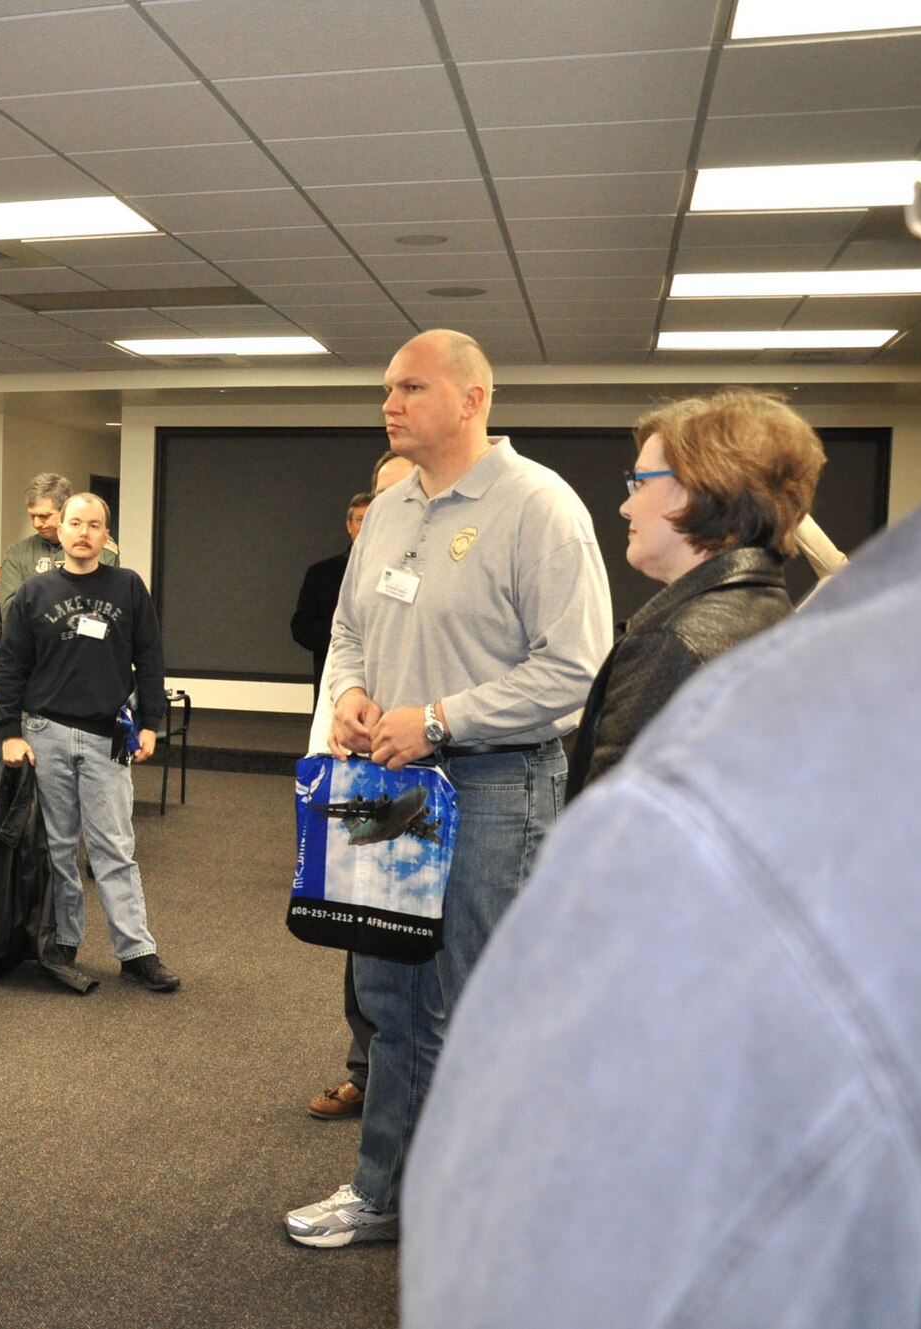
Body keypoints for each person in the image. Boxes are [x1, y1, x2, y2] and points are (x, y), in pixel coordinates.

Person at [399, 11, 921, 1324]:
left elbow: (587, 1219)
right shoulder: (790, 625)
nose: (622, 498)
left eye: (640, 478)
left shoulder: (745, 695)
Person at [284, 329, 611, 1248]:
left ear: (473, 399)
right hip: (388, 788)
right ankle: (384, 1191)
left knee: (475, 1005)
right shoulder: (391, 507)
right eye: (386, 388)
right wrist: (349, 693)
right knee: (392, 999)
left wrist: (436, 718)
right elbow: (347, 628)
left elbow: (576, 672)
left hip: (496, 784)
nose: (388, 403)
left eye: (410, 387)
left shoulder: (539, 506)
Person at [565, 389, 825, 798]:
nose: (626, 507)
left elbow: (621, 838)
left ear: (701, 489)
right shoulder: (767, 611)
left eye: (641, 482)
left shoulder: (673, 645)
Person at [0, 493, 180, 994]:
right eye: (74, 523)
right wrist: (8, 731)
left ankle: (136, 951)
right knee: (57, 848)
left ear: (105, 535)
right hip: (44, 732)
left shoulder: (128, 587)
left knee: (114, 848)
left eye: (93, 525)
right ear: (61, 530)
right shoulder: (34, 591)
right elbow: (11, 664)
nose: (83, 532)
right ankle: (63, 943)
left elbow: (151, 656)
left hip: (107, 735)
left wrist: (150, 723)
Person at [304, 450, 415, 1121]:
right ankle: (365, 1067)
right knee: (362, 928)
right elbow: (341, 661)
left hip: (439, 777)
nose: (386, 509)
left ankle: (423, 1085)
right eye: (378, 495)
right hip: (359, 772)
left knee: (428, 946)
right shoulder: (362, 577)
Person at [291, 490, 373, 699]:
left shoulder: (402, 570)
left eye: (372, 519)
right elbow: (302, 628)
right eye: (360, 520)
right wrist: (346, 638)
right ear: (349, 526)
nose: (366, 526)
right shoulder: (321, 573)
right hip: (333, 678)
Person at [0, 472, 117, 606]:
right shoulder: (18, 554)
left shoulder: (97, 546)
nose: (37, 523)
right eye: (33, 516)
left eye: (45, 516)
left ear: (65, 511)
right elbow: (11, 611)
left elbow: (103, 602)